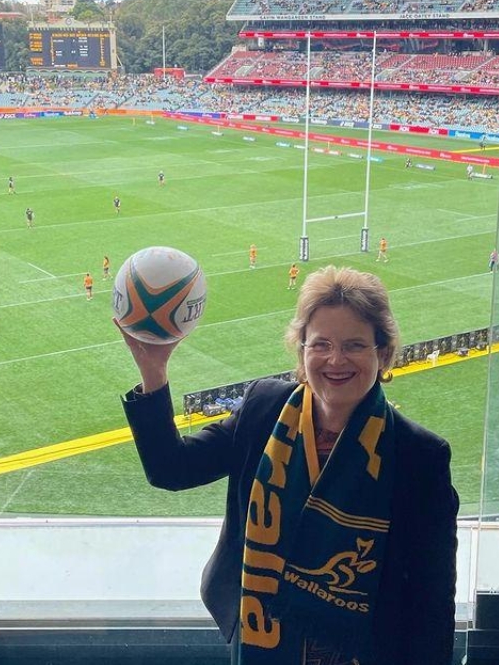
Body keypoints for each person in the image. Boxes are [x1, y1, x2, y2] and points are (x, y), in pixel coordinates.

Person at [118, 266, 458, 665]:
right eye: (320, 344)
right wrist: (153, 370)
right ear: (302, 351)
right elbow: (171, 469)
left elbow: (431, 599)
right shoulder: (265, 408)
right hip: (260, 635)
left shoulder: (420, 455)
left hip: (358, 651)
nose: (335, 359)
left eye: (354, 345)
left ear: (382, 353)